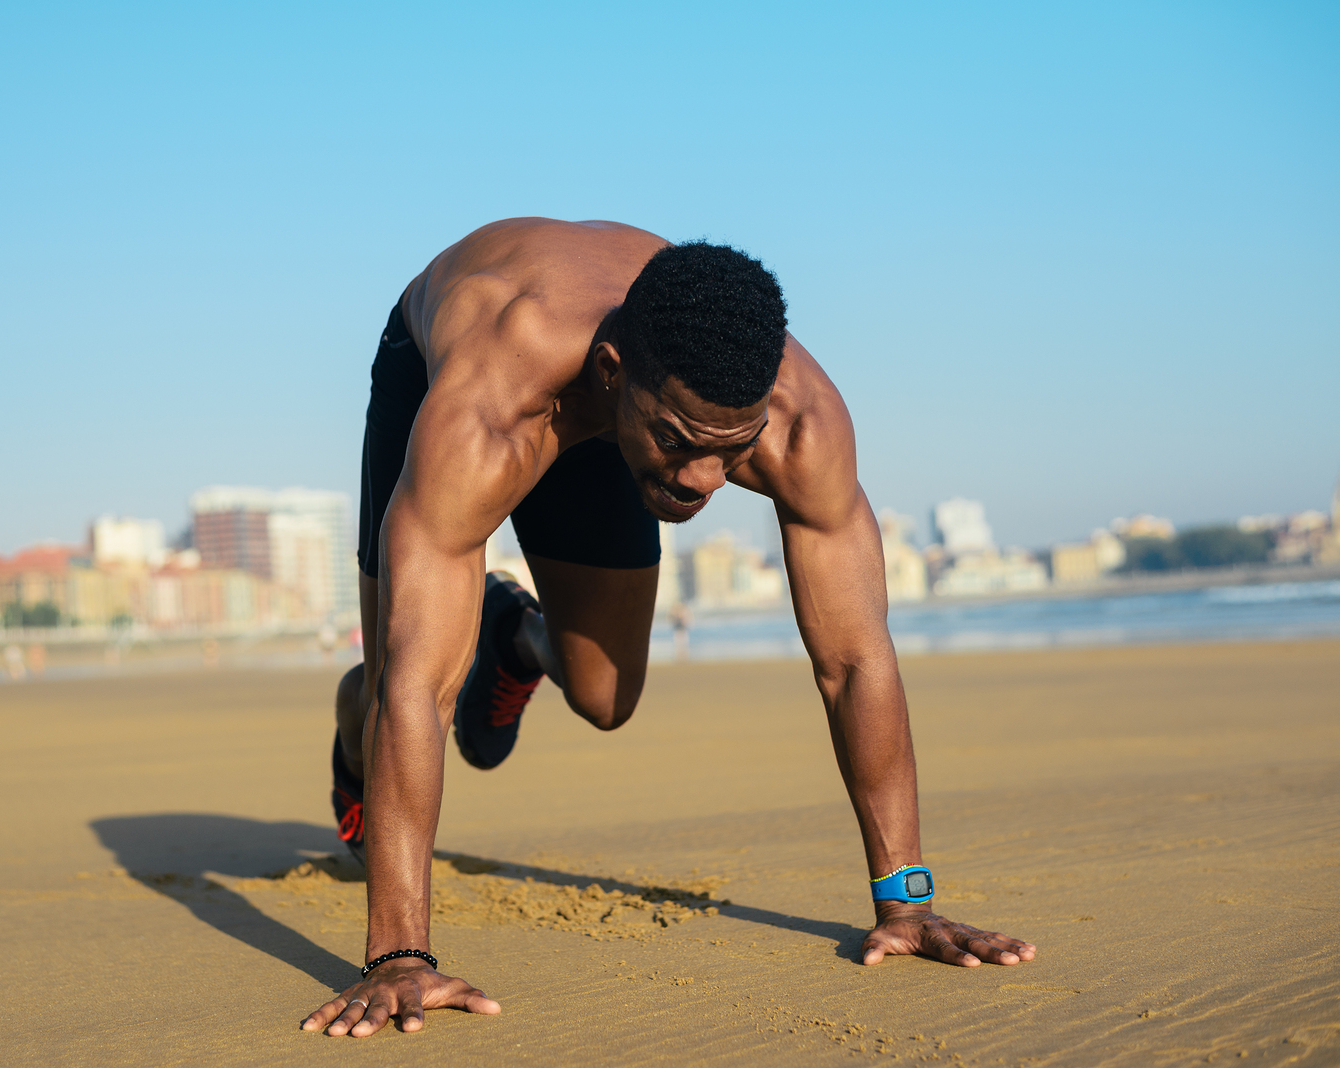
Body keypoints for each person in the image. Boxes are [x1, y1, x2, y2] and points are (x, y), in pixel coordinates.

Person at [303, 218, 1035, 1039]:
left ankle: (514, 635)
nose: (706, 483)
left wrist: (907, 899)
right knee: (392, 679)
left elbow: (855, 660)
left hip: (618, 404)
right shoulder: (483, 415)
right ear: (614, 376)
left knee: (607, 695)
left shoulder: (800, 422)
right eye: (684, 447)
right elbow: (417, 689)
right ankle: (359, 716)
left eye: (733, 449)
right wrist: (399, 955)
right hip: (460, 368)